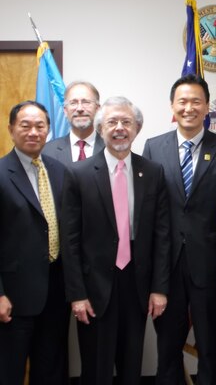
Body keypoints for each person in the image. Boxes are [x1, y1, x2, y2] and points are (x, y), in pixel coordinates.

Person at [61, 96, 170, 385]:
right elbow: (69, 241)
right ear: (100, 128)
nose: (119, 128)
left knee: (131, 365)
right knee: (96, 369)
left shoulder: (153, 172)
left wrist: (160, 289)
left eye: (126, 122)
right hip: (94, 288)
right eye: (112, 122)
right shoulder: (79, 173)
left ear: (137, 128)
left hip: (137, 284)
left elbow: (161, 236)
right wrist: (76, 294)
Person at [143, 74, 216, 385]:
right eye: (182, 101)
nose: (189, 107)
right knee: (167, 346)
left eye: (196, 101)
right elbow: (148, 212)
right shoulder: (153, 146)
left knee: (210, 344)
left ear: (207, 107)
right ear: (172, 106)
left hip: (211, 266)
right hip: (167, 267)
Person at [0, 101, 69, 384]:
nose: (33, 132)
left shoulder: (59, 170)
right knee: (10, 372)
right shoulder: (2, 173)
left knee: (50, 370)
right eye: (25, 125)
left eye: (40, 126)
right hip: (14, 296)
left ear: (48, 130)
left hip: (56, 291)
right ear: (11, 129)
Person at [43, 81, 105, 164]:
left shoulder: (111, 149)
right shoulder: (47, 151)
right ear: (65, 111)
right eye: (73, 103)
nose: (80, 109)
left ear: (97, 109)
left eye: (86, 102)